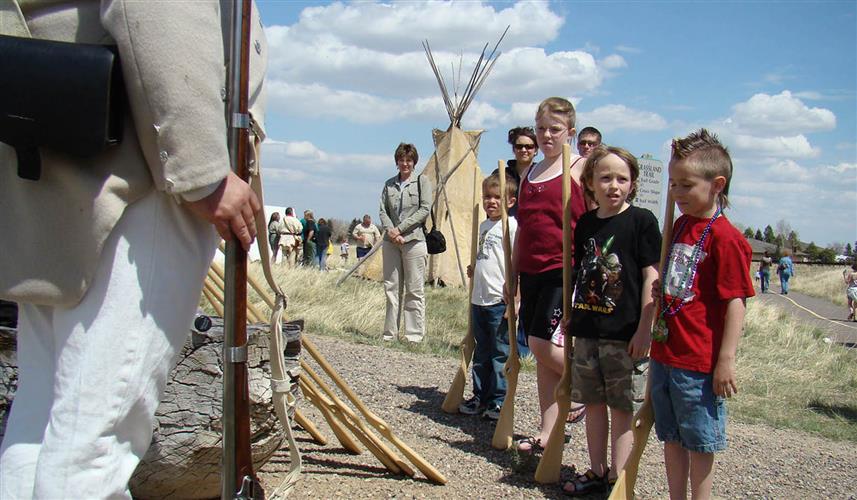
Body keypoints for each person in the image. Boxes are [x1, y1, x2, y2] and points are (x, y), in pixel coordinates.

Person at [0, 2, 266, 498]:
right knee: (93, 449)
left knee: (42, 421)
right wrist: (202, 168)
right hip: (137, 179)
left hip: (65, 161)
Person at [650, 129, 755, 500]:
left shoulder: (726, 239)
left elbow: (735, 303)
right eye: (673, 184)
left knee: (699, 440)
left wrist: (725, 360)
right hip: (666, 352)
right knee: (671, 436)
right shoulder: (679, 226)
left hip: (698, 361)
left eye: (686, 185)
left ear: (716, 184)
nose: (677, 194)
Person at [561, 146, 661, 495]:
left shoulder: (642, 221)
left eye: (622, 178)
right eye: (605, 178)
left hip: (625, 334)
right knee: (593, 403)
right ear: (590, 183)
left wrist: (645, 327)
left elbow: (652, 276)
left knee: (622, 408)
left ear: (633, 183)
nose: (613, 186)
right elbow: (580, 274)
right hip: (589, 330)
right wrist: (571, 315)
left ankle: (620, 479)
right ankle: (596, 470)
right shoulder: (586, 224)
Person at [512, 97, 588, 457]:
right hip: (530, 270)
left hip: (563, 270)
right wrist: (512, 280)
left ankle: (584, 386)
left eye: (554, 130)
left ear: (569, 132)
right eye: (541, 128)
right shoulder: (529, 173)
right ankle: (548, 431)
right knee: (540, 355)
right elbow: (523, 231)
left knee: (543, 342)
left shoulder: (579, 168)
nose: (546, 136)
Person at [459, 173, 518, 420]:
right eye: (487, 197)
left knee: (498, 353)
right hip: (479, 298)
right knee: (481, 352)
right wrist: (475, 267)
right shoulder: (483, 226)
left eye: (497, 197)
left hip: (497, 300)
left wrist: (515, 298)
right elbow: (487, 257)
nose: (491, 202)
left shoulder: (512, 227)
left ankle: (497, 401)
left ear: (510, 201)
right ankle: (480, 396)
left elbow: (516, 264)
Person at [492, 126, 539, 358]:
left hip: (530, 235)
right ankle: (505, 340)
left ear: (536, 149)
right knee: (508, 288)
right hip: (507, 232)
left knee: (527, 291)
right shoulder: (502, 173)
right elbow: (492, 198)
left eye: (529, 146)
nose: (524, 150)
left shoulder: (541, 173)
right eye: (519, 146)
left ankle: (523, 345)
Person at [379, 143, 432, 343]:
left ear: (414, 162)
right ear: (396, 161)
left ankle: (413, 335)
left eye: (408, 160)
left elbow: (424, 209)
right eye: (401, 160)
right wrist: (392, 232)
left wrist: (400, 230)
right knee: (391, 288)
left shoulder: (422, 181)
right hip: (391, 241)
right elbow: (383, 210)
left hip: (414, 240)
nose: (405, 163)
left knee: (414, 289)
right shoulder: (389, 184)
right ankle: (389, 334)